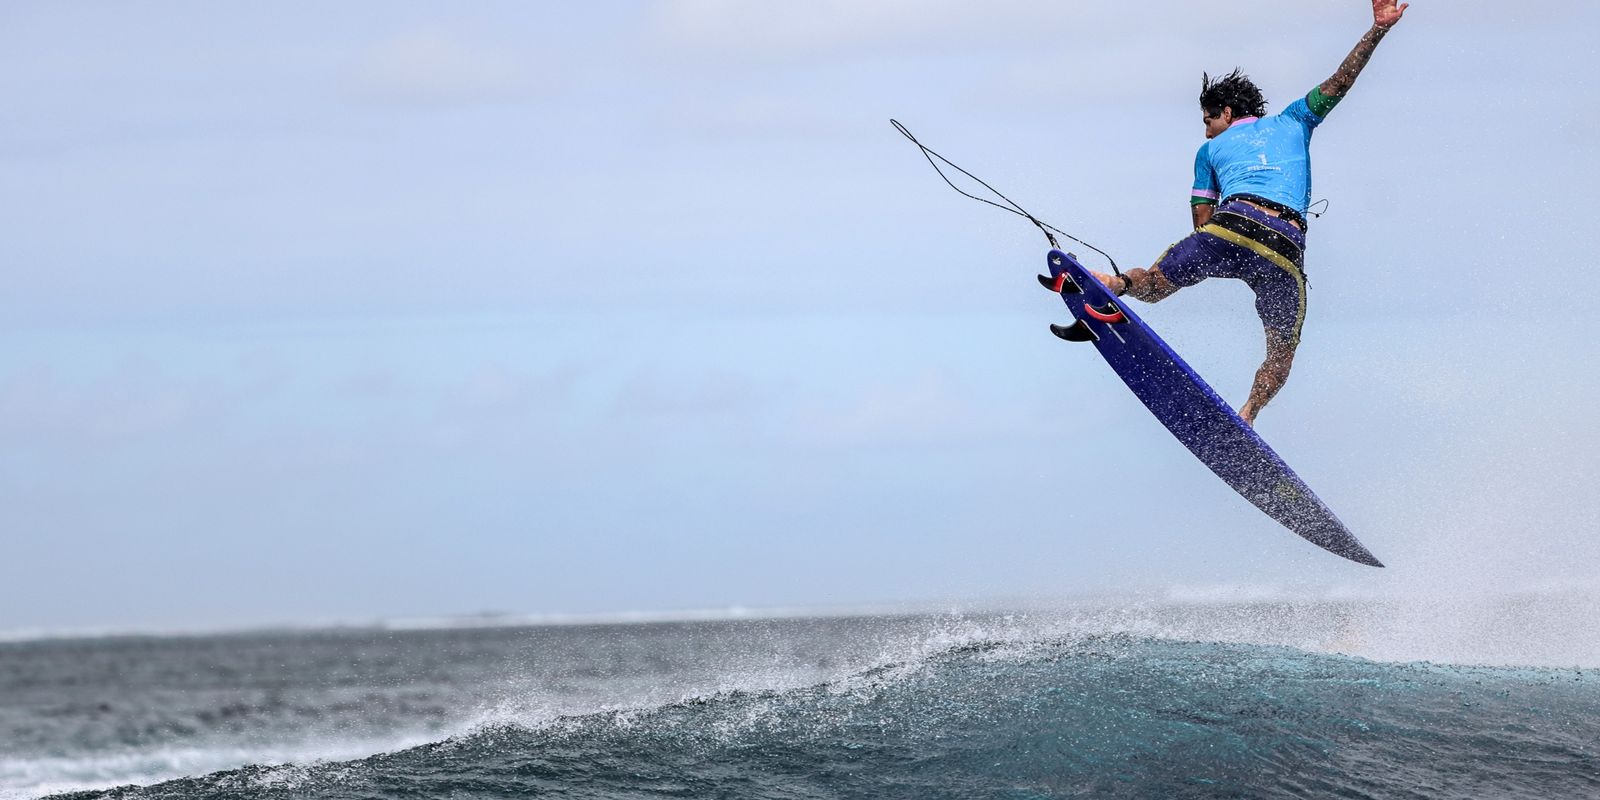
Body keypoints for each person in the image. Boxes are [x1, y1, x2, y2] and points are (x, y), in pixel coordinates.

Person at [1091, 0, 1408, 426]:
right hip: (1284, 249)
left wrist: (1210, 261)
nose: (1205, 130)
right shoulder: (1296, 120)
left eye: (1208, 120)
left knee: (1155, 285)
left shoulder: (1208, 151)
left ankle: (1114, 282)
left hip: (1232, 229)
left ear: (1226, 113)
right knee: (1282, 351)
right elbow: (1341, 81)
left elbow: (1202, 224)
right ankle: (1249, 413)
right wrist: (1378, 30)